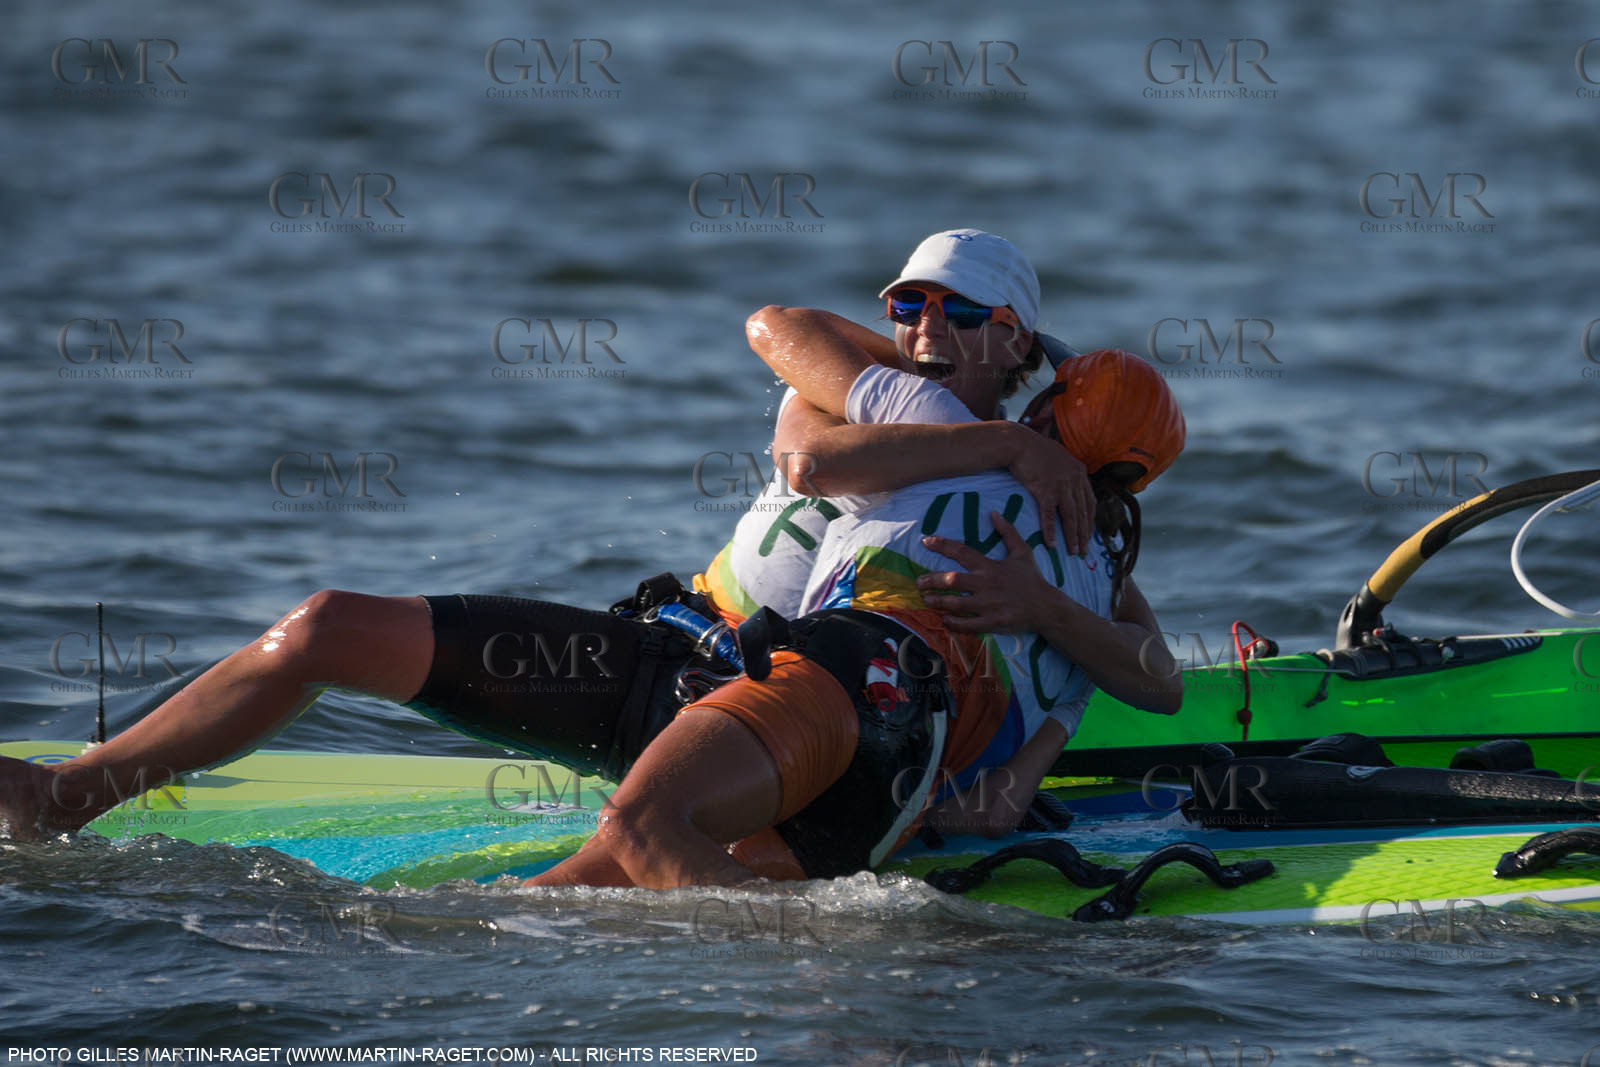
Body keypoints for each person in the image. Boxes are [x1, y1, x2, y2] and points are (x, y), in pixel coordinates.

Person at [0, 230, 1175, 855]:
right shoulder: (875, 395)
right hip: (663, 656)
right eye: (905, 303)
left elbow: (1130, 660)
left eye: (952, 313)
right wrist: (1000, 445)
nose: (918, 328)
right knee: (322, 626)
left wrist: (1034, 537)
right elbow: (793, 391)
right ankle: (67, 794)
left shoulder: (1042, 508)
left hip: (802, 709)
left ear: (1012, 340)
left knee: (626, 857)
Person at [524, 346, 1186, 889]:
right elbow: (995, 808)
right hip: (899, 790)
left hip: (849, 671)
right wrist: (1045, 611)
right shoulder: (1099, 585)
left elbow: (783, 333)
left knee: (631, 834)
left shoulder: (952, 434)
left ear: (1046, 410)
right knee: (604, 888)